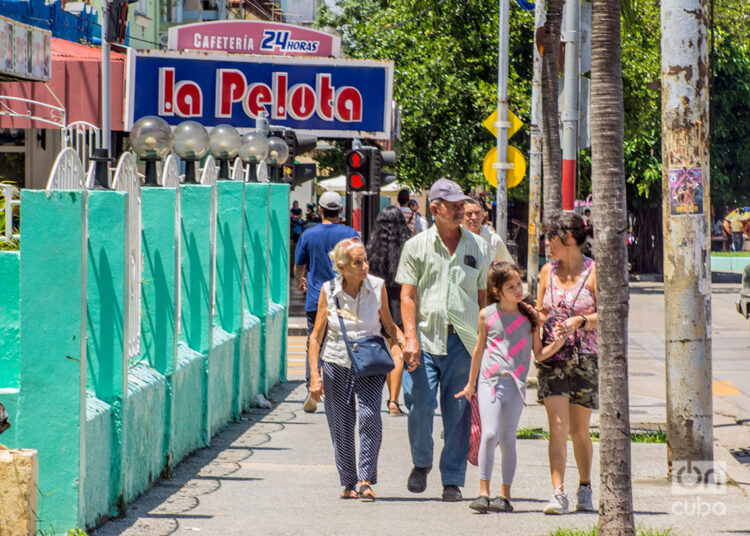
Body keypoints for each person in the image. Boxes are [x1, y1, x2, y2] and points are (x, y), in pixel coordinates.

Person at [396, 177, 491, 502]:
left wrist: (487, 341)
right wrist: (410, 338)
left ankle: (452, 478)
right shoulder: (416, 246)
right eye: (452, 206)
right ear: (434, 209)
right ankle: (421, 462)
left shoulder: (477, 246)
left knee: (459, 411)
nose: (460, 211)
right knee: (418, 404)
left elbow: (483, 297)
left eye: (462, 205)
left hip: (463, 343)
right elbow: (407, 296)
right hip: (424, 339)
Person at [455, 262, 566, 513]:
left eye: (519, 284)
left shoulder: (530, 316)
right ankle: (483, 492)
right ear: (496, 290)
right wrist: (471, 384)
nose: (518, 289)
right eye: (511, 286)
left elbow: (538, 354)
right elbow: (479, 349)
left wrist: (558, 343)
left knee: (507, 440)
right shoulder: (487, 314)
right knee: (490, 433)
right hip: (489, 382)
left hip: (515, 385)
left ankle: (504, 495)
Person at [307, 238, 405, 500]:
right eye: (358, 262)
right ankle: (348, 482)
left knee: (371, 415)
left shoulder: (377, 287)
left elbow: (389, 324)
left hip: (371, 362)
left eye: (365, 261)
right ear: (341, 265)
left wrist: (404, 342)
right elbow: (316, 337)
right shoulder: (329, 291)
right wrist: (314, 377)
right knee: (342, 423)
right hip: (336, 361)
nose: (365, 266)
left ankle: (365, 479)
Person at [535, 213, 598, 515]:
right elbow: (538, 312)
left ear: (569, 239)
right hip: (553, 358)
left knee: (579, 430)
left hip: (585, 358)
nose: (547, 243)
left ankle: (584, 486)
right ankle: (557, 493)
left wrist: (581, 321)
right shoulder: (547, 271)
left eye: (552, 238)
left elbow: (610, 313)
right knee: (557, 427)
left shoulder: (594, 272)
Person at [294, 191, 359, 413]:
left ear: (320, 210)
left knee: (315, 342)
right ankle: (345, 390)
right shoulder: (350, 233)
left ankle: (313, 389)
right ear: (341, 211)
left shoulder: (308, 234)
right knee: (348, 342)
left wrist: (299, 280)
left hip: (316, 298)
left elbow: (299, 265)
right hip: (345, 298)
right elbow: (359, 262)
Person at [366, 205, 411, 416]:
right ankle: (393, 401)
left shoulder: (371, 248)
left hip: (377, 303)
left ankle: (372, 398)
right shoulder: (410, 246)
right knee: (397, 351)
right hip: (401, 302)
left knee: (380, 348)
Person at [463, 198, 513, 264]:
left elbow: (509, 268)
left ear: (483, 214)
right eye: (469, 214)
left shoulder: (493, 240)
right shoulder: (452, 238)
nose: (474, 217)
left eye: (477, 213)